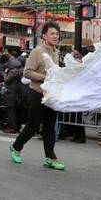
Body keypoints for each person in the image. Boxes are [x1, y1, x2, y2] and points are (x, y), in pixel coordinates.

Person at [9, 21, 65, 171]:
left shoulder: (55, 51)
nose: (55, 36)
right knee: (32, 126)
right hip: (37, 94)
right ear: (44, 35)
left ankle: (50, 157)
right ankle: (16, 147)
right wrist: (45, 77)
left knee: (49, 128)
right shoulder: (37, 51)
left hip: (51, 96)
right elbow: (26, 72)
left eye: (57, 34)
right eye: (52, 33)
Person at [2, 56, 23, 134]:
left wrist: (5, 72)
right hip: (17, 93)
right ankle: (17, 127)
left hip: (11, 92)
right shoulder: (20, 69)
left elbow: (6, 80)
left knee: (11, 111)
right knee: (16, 111)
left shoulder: (12, 71)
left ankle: (12, 127)